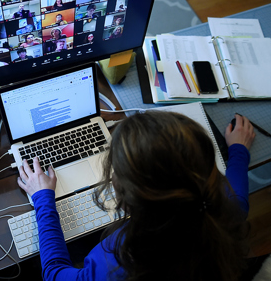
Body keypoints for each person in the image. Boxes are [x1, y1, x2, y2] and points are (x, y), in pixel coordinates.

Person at [17, 112, 255, 280]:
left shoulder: (117, 261)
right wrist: (238, 150)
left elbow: (55, 274)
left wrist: (43, 198)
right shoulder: (224, 211)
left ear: (129, 194)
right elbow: (239, 199)